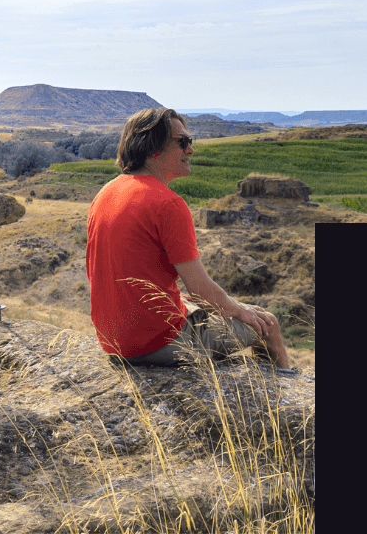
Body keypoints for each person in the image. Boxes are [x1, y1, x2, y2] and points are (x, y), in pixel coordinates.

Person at [85, 108, 291, 369]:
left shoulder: (107, 192)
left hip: (112, 340)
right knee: (267, 323)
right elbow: (201, 290)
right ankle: (284, 391)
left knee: (196, 303)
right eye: (183, 142)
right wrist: (241, 311)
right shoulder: (168, 203)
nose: (190, 150)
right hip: (159, 342)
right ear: (153, 147)